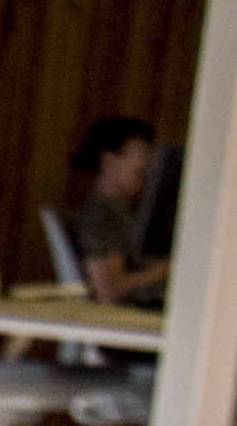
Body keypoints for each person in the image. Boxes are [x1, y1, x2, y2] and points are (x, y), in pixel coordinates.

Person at [70, 114, 168, 305]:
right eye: (143, 155)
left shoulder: (124, 213)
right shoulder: (102, 217)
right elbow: (109, 291)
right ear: (110, 161)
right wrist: (164, 273)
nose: (150, 166)